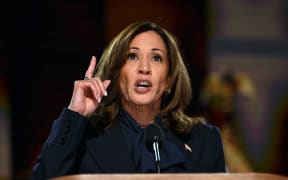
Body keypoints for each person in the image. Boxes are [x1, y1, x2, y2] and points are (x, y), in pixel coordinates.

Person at [31, 21, 226, 179]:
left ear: (169, 80)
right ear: (116, 74)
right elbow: (44, 177)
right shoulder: (84, 137)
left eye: (156, 58)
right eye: (132, 56)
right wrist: (75, 115)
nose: (144, 67)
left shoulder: (204, 141)